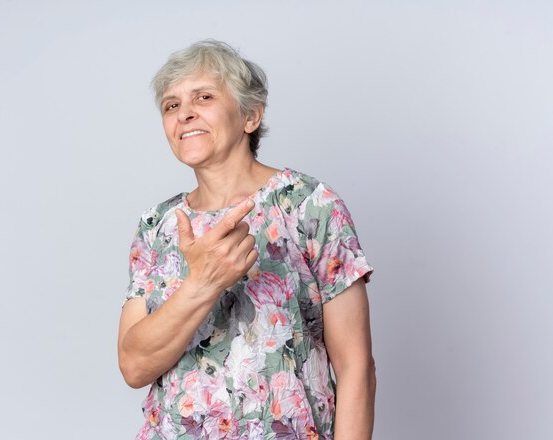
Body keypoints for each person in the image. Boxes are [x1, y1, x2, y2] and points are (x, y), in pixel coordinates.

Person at [118, 39, 376, 439]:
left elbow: (356, 366)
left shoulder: (309, 205)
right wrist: (202, 284)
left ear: (250, 116)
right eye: (171, 105)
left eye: (203, 97)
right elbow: (134, 366)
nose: (184, 114)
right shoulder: (157, 225)